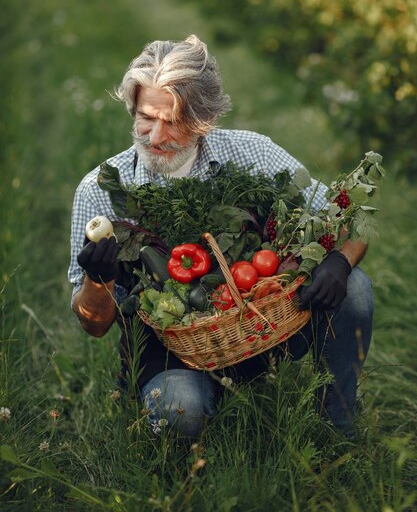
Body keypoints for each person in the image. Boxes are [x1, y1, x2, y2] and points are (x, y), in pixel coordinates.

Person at [69, 34, 374, 439]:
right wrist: (98, 280)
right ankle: (190, 411)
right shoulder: (99, 190)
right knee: (179, 413)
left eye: (173, 122)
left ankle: (337, 429)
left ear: (203, 121)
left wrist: (340, 259)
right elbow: (93, 325)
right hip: (169, 353)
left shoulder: (255, 155)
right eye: (146, 117)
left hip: (262, 328)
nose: (155, 137)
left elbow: (351, 221)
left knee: (354, 288)